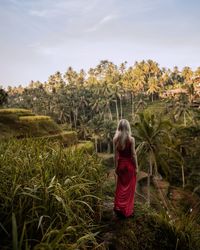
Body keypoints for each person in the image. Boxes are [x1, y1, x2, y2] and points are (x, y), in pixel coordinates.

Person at [113, 119, 138, 218]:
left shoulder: (115, 139)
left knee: (120, 187)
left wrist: (116, 167)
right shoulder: (131, 139)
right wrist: (136, 167)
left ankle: (118, 206)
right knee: (129, 188)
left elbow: (115, 155)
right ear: (128, 128)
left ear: (119, 127)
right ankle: (126, 210)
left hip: (121, 165)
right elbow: (133, 154)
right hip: (129, 166)